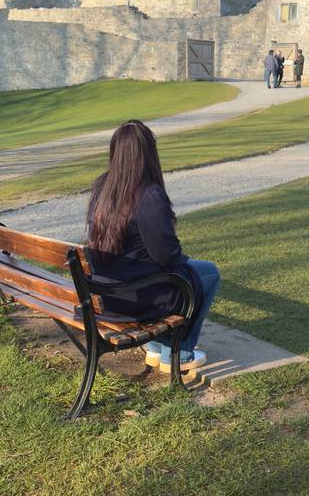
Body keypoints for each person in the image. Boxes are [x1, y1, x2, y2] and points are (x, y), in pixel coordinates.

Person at [86, 120, 220, 373]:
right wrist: (183, 260)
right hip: (134, 296)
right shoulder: (148, 195)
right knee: (208, 272)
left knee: (190, 270)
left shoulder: (102, 187)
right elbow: (166, 256)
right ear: (148, 153)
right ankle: (178, 353)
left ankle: (157, 346)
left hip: (105, 292)